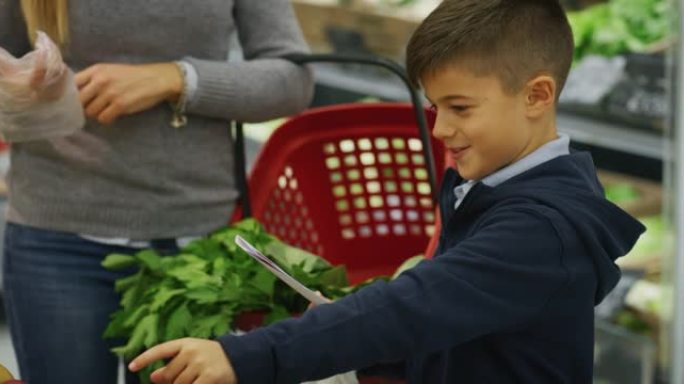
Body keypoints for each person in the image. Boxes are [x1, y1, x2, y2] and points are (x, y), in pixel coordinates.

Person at [130, 0, 646, 383]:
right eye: (435, 107)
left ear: (537, 95)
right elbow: (447, 317)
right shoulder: (492, 182)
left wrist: (246, 356)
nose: (440, 128)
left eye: (460, 108)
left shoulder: (541, 231)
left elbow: (417, 307)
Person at [0, 0, 314, 383]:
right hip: (53, 238)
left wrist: (178, 78)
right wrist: (22, 85)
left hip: (193, 247)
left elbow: (294, 80)